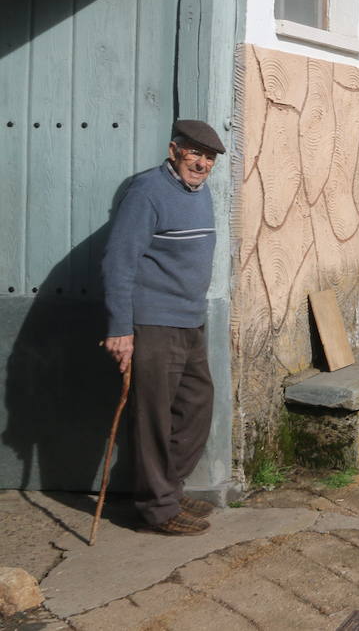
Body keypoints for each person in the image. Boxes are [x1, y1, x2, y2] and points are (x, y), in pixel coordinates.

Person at [102, 119, 224, 535]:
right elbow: (118, 261)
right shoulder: (147, 192)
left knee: (196, 407)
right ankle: (158, 508)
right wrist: (121, 329)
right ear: (174, 150)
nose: (203, 163)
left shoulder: (199, 191)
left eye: (209, 157)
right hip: (154, 322)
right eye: (195, 153)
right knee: (153, 416)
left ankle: (168, 488)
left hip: (190, 319)